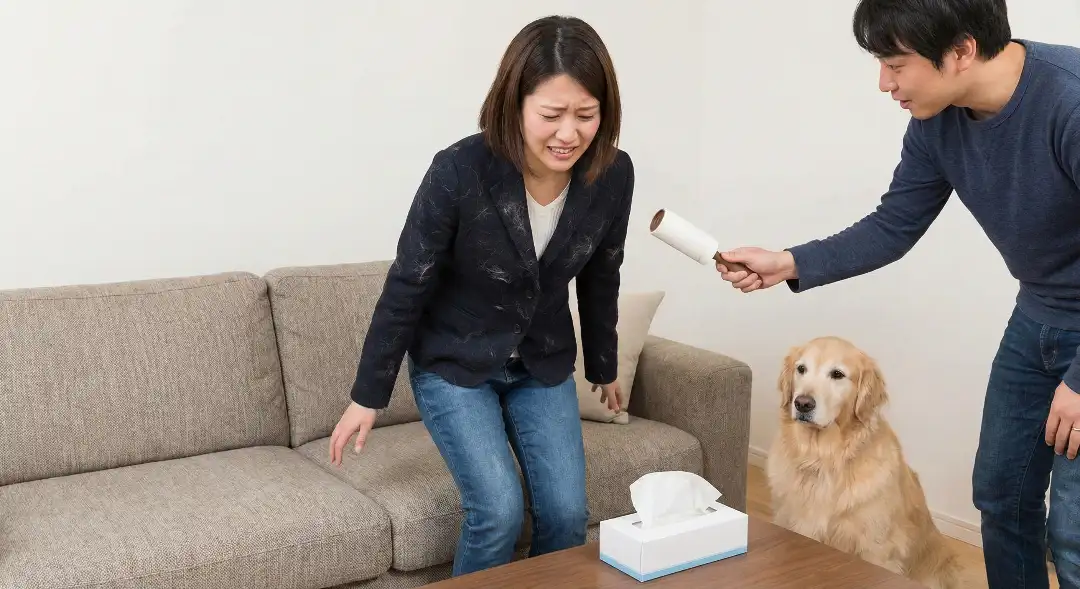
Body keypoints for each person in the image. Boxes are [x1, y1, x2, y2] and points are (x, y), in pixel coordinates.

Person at [714, 1, 1080, 587]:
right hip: (1038, 313)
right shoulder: (937, 120)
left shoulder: (1070, 100)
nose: (884, 84)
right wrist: (787, 263)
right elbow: (894, 225)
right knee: (1001, 497)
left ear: (961, 50)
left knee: (1074, 528)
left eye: (896, 64)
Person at [327, 15, 633, 577]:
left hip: (541, 362)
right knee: (496, 510)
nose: (568, 134)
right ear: (514, 104)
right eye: (551, 115)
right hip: (455, 362)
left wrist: (605, 365)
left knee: (567, 517)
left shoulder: (612, 175)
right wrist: (368, 396)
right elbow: (408, 281)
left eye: (586, 116)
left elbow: (601, 274)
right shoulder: (459, 170)